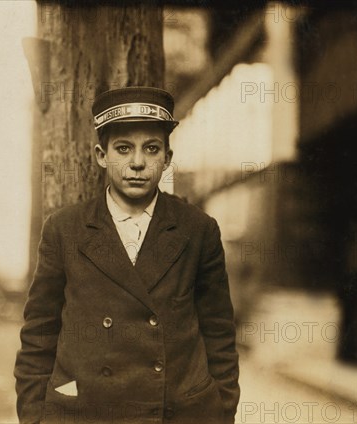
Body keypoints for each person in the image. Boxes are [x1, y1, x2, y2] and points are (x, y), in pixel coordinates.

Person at [14, 87, 240, 424]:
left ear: (167, 157)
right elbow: (38, 335)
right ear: (101, 155)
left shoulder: (197, 230)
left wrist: (220, 413)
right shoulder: (65, 230)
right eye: (123, 149)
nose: (137, 162)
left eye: (151, 149)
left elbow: (219, 335)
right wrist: (35, 418)